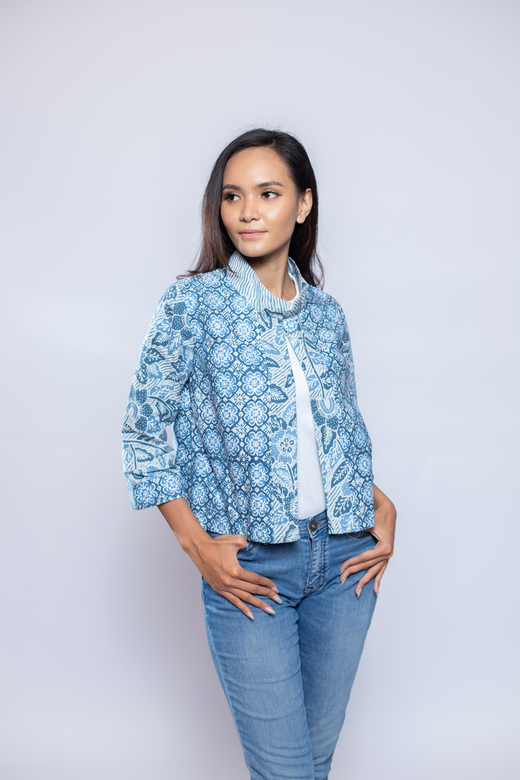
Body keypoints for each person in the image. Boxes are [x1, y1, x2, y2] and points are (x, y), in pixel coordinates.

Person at [122, 128, 396, 780]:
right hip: (252, 568)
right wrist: (196, 544)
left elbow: (335, 429)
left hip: (344, 562)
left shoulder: (327, 315)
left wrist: (380, 504)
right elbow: (142, 432)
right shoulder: (192, 305)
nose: (247, 211)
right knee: (286, 772)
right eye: (232, 196)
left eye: (268, 193)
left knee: (314, 766)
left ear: (303, 204)